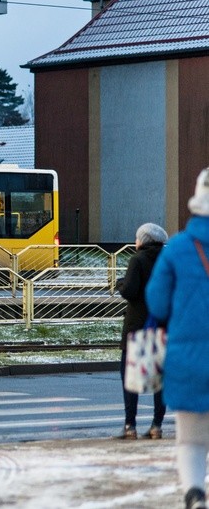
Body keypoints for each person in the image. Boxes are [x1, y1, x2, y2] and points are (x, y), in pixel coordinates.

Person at [146, 168, 209, 509]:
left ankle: (195, 494)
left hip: (187, 358)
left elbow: (156, 301)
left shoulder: (177, 248)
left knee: (192, 439)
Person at [114, 222, 168, 440]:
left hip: (137, 326)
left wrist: (120, 284)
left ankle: (130, 426)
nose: (135, 241)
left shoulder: (137, 260)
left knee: (130, 376)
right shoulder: (167, 259)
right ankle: (157, 425)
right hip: (161, 323)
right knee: (159, 378)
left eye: (137, 238)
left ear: (144, 240)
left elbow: (130, 291)